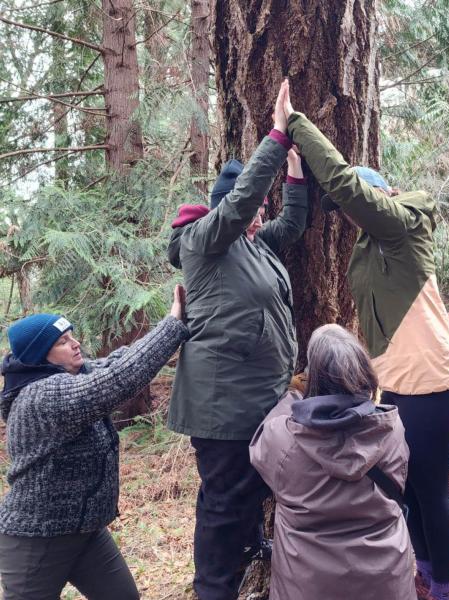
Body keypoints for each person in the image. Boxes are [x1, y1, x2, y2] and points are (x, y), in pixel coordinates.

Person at [276, 79, 449, 600]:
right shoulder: (377, 244)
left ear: (378, 193)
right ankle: (424, 573)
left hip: (432, 380)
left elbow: (342, 183)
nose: (347, 219)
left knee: (429, 490)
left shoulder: (401, 225)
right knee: (412, 492)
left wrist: (294, 123)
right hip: (400, 383)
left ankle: (443, 588)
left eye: (354, 207)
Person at [166, 85, 308, 600]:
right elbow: (241, 200)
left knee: (248, 494)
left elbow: (291, 225)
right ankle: (213, 589)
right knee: (223, 505)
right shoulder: (204, 241)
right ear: (229, 203)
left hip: (256, 400)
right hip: (222, 405)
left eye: (261, 207)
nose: (260, 213)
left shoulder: (253, 244)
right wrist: (274, 135)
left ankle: (250, 555)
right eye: (253, 204)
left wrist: (293, 173)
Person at [0, 286, 189, 600]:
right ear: (39, 356)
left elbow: (120, 361)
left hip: (84, 531)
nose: (76, 345)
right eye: (62, 342)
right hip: (37, 539)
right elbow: (119, 380)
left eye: (72, 336)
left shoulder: (72, 375)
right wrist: (173, 324)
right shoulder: (42, 396)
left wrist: (176, 321)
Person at [249, 324, 417, 600]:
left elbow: (259, 446)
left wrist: (291, 395)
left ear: (313, 380)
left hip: (308, 586)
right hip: (386, 581)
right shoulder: (392, 427)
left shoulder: (286, 439)